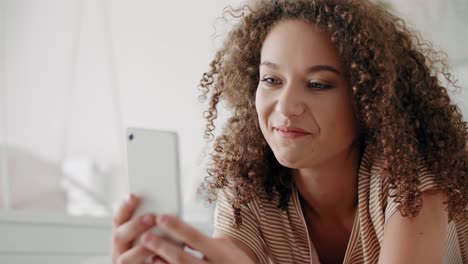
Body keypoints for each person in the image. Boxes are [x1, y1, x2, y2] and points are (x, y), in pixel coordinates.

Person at [111, 0, 468, 263]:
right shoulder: (249, 184)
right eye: (271, 80)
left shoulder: (408, 182)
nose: (284, 107)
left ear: (369, 100)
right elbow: (230, 255)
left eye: (317, 84)